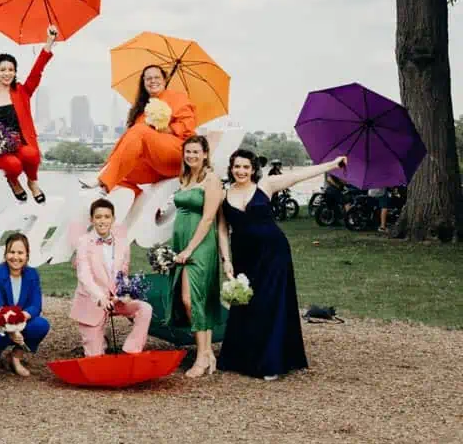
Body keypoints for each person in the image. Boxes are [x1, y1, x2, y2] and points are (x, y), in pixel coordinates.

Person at [218, 149, 347, 380]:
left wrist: (333, 165)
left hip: (273, 251)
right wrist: (226, 260)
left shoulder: (265, 186)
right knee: (247, 303)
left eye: (246, 167)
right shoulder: (224, 194)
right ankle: (241, 357)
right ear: (231, 168)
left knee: (270, 302)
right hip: (244, 256)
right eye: (237, 166)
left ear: (253, 169)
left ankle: (271, 361)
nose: (241, 171)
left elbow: (301, 175)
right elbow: (221, 230)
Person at [0, 25, 59, 202]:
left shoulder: (21, 92)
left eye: (11, 70)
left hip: (20, 144)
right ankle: (13, 181)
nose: (7, 73)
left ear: (15, 72)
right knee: (13, 166)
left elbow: (36, 73)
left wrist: (49, 43)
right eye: (3, 70)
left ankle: (32, 182)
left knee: (32, 155)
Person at [166, 135, 225, 377]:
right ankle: (207, 353)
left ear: (205, 154)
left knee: (192, 298)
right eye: (187, 152)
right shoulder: (185, 178)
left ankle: (201, 358)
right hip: (181, 243)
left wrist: (190, 248)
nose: (191, 156)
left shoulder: (211, 180)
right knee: (190, 300)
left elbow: (209, 217)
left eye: (195, 152)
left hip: (200, 244)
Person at [90, 65, 196, 194]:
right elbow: (129, 143)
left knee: (139, 130)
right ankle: (138, 197)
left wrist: (167, 128)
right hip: (153, 167)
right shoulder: (141, 109)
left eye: (157, 77)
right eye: (148, 78)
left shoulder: (177, 97)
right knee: (122, 169)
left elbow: (188, 127)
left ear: (164, 80)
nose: (153, 81)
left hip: (176, 155)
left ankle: (104, 179)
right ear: (143, 82)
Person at [70, 198, 153, 356]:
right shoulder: (83, 242)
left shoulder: (122, 243)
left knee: (145, 308)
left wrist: (124, 293)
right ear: (91, 220)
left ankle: (132, 350)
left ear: (113, 219)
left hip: (116, 301)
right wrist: (100, 297)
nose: (102, 221)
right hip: (93, 302)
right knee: (95, 358)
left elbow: (123, 274)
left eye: (107, 217)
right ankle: (99, 346)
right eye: (98, 217)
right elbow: (84, 275)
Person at [0, 233, 50, 380]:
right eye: (11, 252)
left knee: (41, 325)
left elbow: (35, 306)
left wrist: (19, 322)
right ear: (5, 254)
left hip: (18, 319)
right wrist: (11, 330)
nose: (15, 257)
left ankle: (15, 357)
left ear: (27, 255)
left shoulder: (32, 275)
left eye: (20, 253)